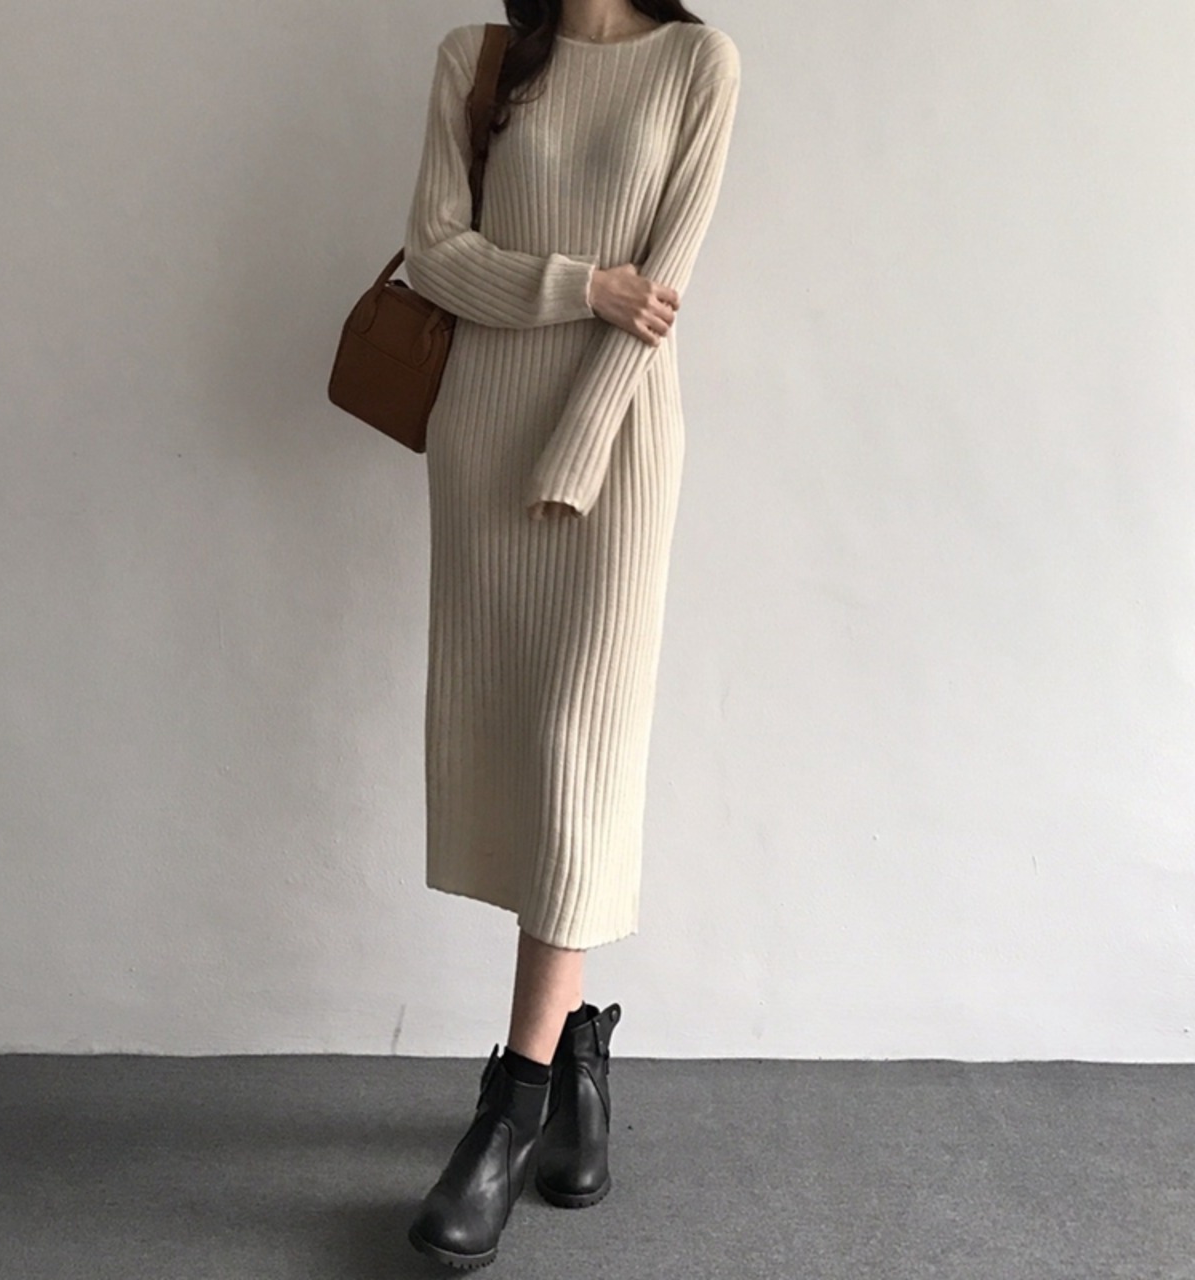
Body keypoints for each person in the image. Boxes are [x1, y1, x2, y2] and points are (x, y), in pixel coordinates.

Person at [400, 0, 740, 1266]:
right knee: (515, 754)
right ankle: (578, 1055)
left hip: (613, 446)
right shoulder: (480, 59)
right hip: (481, 442)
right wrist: (578, 285)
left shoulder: (697, 63)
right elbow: (433, 256)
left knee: (574, 758)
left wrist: (579, 449)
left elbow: (662, 296)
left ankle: (514, 1097)